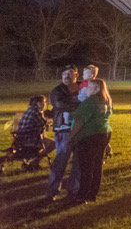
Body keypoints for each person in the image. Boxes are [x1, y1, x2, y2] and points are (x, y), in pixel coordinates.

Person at [69, 78, 113, 203]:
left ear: (96, 89)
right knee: (97, 165)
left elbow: (79, 121)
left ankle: (82, 195)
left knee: (86, 167)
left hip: (90, 136)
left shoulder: (90, 102)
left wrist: (70, 137)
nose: (85, 89)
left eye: (88, 87)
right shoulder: (106, 101)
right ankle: (92, 194)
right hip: (104, 133)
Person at [46, 65, 81, 201]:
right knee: (61, 160)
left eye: (70, 73)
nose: (67, 75)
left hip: (80, 129)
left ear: (76, 75)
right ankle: (52, 191)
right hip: (63, 129)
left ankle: (74, 190)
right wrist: (81, 105)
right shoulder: (57, 91)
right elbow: (61, 105)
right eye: (64, 73)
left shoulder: (82, 87)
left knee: (78, 161)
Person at [12, 95, 56, 168]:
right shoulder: (36, 112)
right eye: (43, 102)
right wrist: (51, 120)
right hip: (31, 139)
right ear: (38, 103)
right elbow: (43, 123)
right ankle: (35, 163)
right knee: (54, 144)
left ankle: (34, 163)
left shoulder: (29, 110)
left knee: (47, 141)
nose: (45, 104)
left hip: (22, 138)